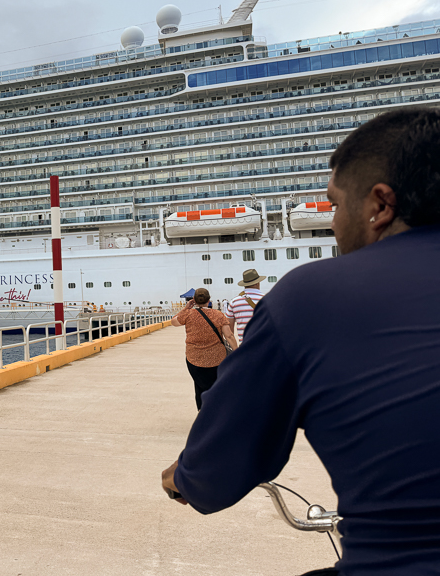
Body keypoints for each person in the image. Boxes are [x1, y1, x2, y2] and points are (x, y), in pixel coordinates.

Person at [161, 107, 440, 575]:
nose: (332, 223)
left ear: (380, 205)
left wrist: (183, 478)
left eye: (335, 206)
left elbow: (225, 458)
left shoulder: (312, 296)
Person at [170, 288, 238, 410]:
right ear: (209, 300)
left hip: (194, 359)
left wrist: (186, 308)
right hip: (217, 359)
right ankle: (217, 411)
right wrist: (237, 353)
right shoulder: (218, 315)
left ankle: (202, 412)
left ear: (194, 300)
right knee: (216, 386)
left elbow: (174, 322)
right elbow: (229, 336)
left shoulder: (188, 314)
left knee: (199, 386)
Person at [225, 269, 266, 344]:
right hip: (265, 345)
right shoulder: (267, 299)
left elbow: (230, 332)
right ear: (257, 283)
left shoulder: (234, 302)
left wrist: (235, 348)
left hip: (244, 346)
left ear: (244, 284)